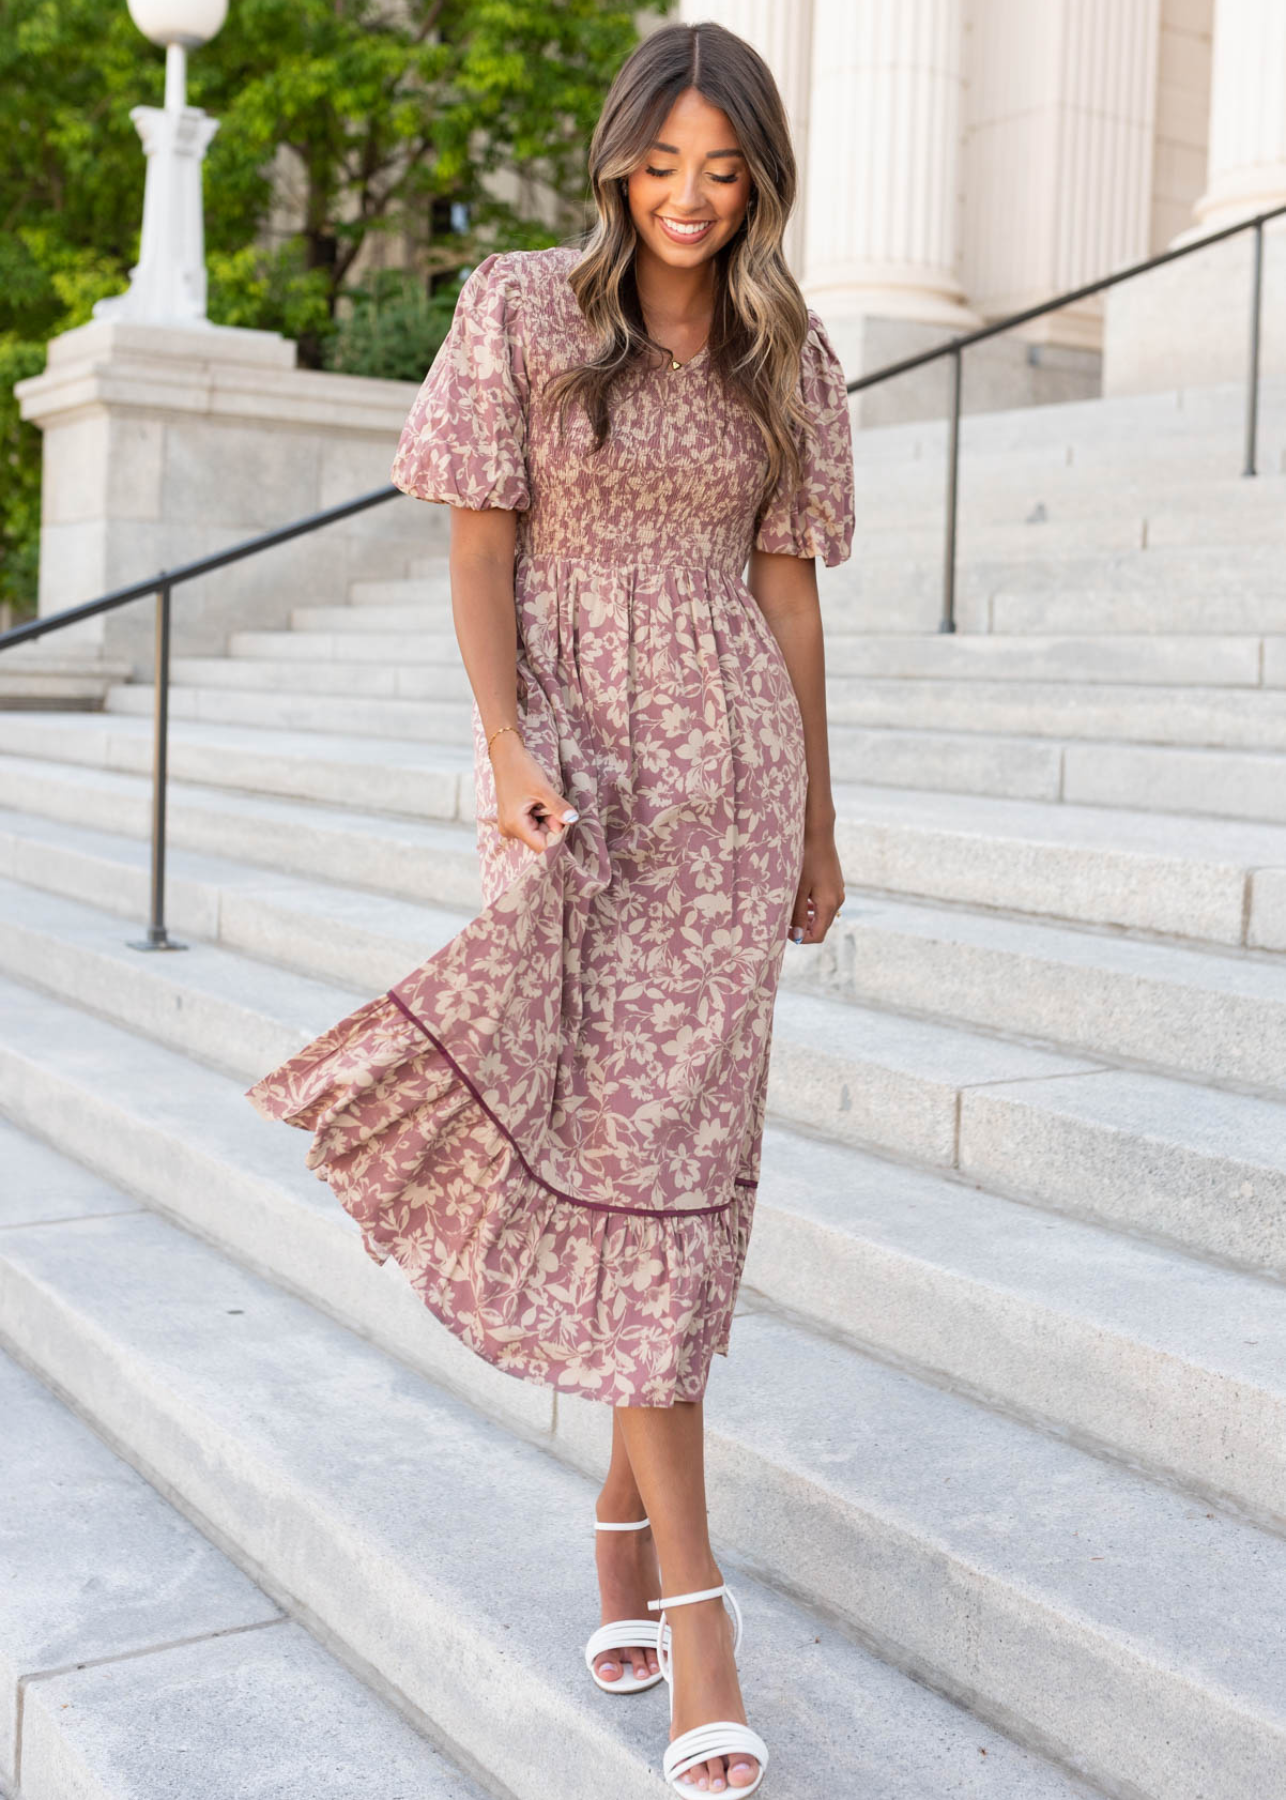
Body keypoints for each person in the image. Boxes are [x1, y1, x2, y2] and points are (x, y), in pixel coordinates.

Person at [245, 19, 854, 1795]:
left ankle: (641, 1559)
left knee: (675, 1164)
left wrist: (819, 820)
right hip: (577, 776)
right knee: (609, 1141)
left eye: (723, 171)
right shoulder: (522, 306)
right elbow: (479, 544)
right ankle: (692, 1604)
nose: (688, 198)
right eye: (662, 164)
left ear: (759, 182)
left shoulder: (782, 350)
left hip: (728, 781)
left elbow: (791, 598)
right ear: (614, 161)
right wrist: (504, 747)